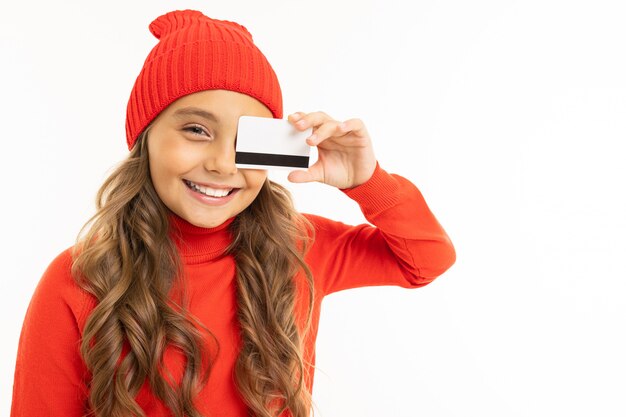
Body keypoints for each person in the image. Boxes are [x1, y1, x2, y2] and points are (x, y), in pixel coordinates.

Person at [10, 9, 456, 417]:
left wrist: (367, 181)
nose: (224, 164)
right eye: (196, 130)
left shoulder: (299, 249)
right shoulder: (77, 281)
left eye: (247, 140)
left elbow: (426, 260)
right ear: (145, 137)